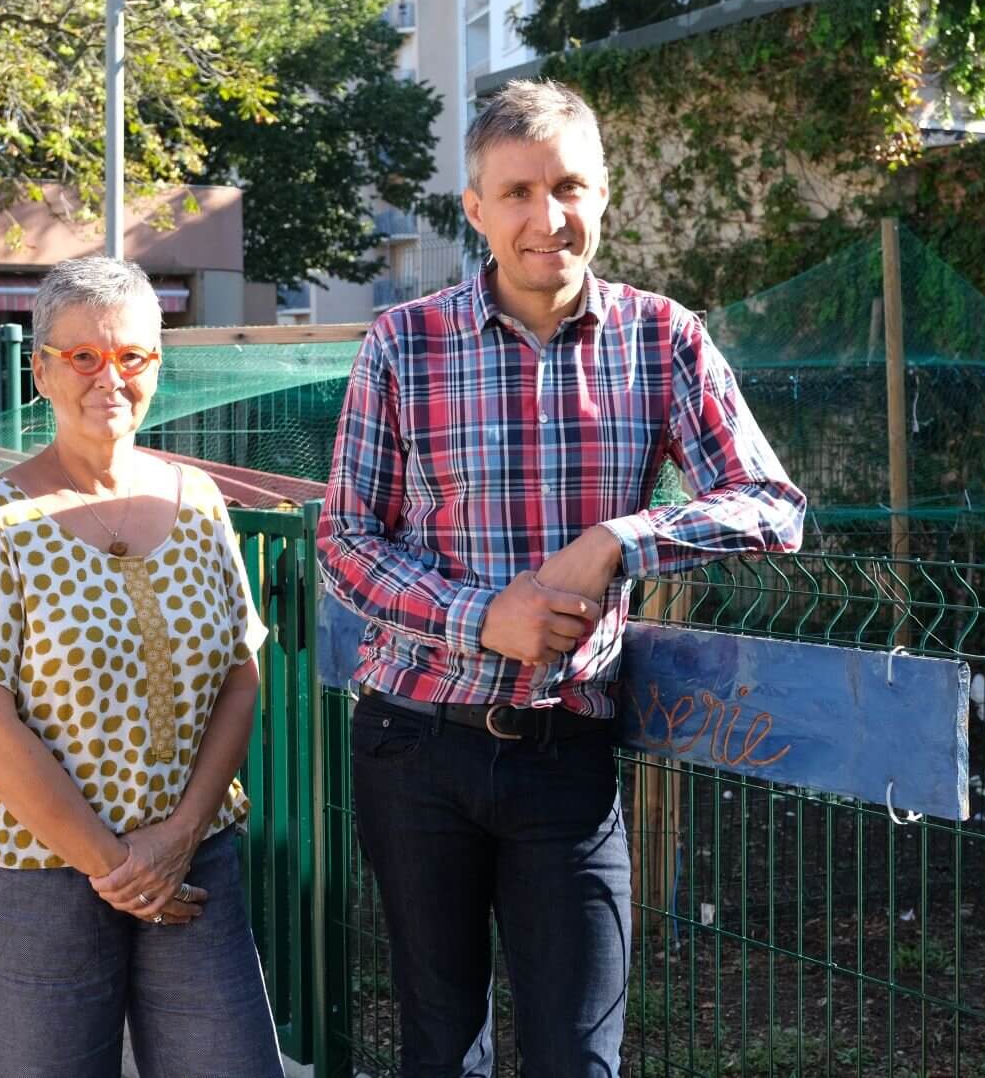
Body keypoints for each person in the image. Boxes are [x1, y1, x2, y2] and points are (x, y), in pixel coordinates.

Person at [317, 79, 806, 1077]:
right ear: (476, 209)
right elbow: (345, 541)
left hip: (567, 757)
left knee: (579, 1056)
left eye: (570, 187)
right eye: (519, 192)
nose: (548, 218)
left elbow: (772, 503)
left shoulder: (660, 337)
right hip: (415, 745)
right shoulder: (403, 344)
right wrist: (479, 616)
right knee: (439, 1048)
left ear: (605, 194)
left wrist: (625, 540)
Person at [0, 256, 284, 1078]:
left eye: (132, 356)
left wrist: (177, 839)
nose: (109, 377)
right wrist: (116, 864)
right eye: (83, 356)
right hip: (36, 883)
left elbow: (240, 676)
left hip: (194, 863)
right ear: (41, 369)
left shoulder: (196, 498)